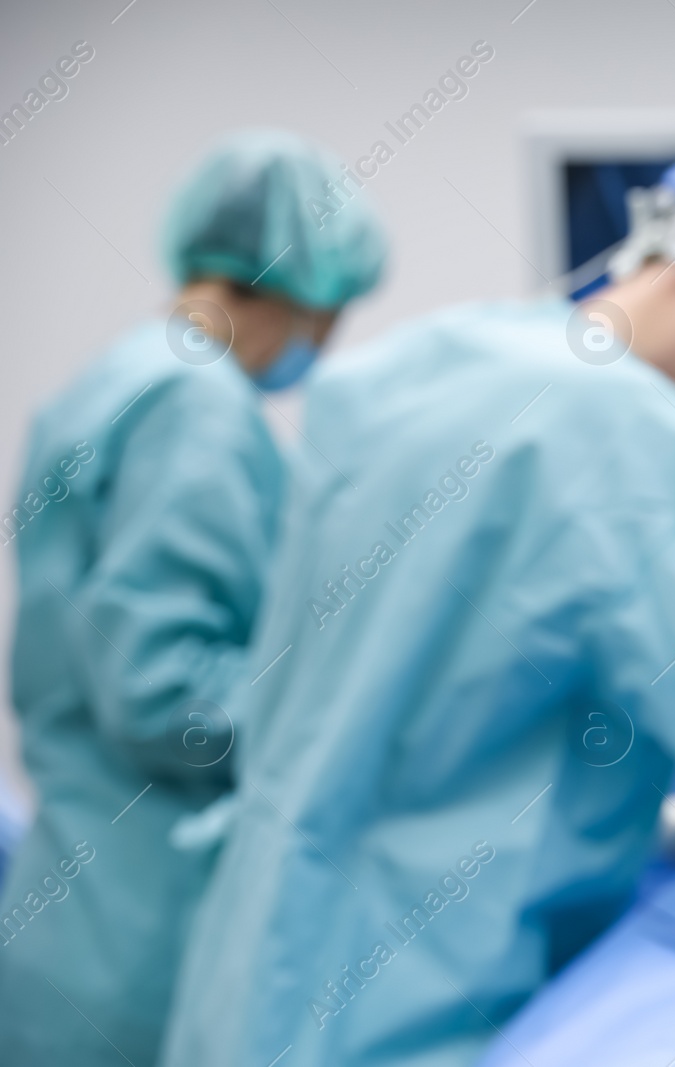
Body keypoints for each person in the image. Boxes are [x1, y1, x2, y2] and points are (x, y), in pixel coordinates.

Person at [160, 162, 675, 1067]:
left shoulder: (418, 365)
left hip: (251, 974)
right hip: (412, 1010)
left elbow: (404, 706)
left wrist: (653, 826)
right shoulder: (634, 437)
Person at [0, 130, 386, 1066]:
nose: (328, 342)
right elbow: (164, 689)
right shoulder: (195, 407)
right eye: (333, 314)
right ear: (303, 290)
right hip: (143, 944)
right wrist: (352, 723)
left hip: (77, 917)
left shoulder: (116, 379)